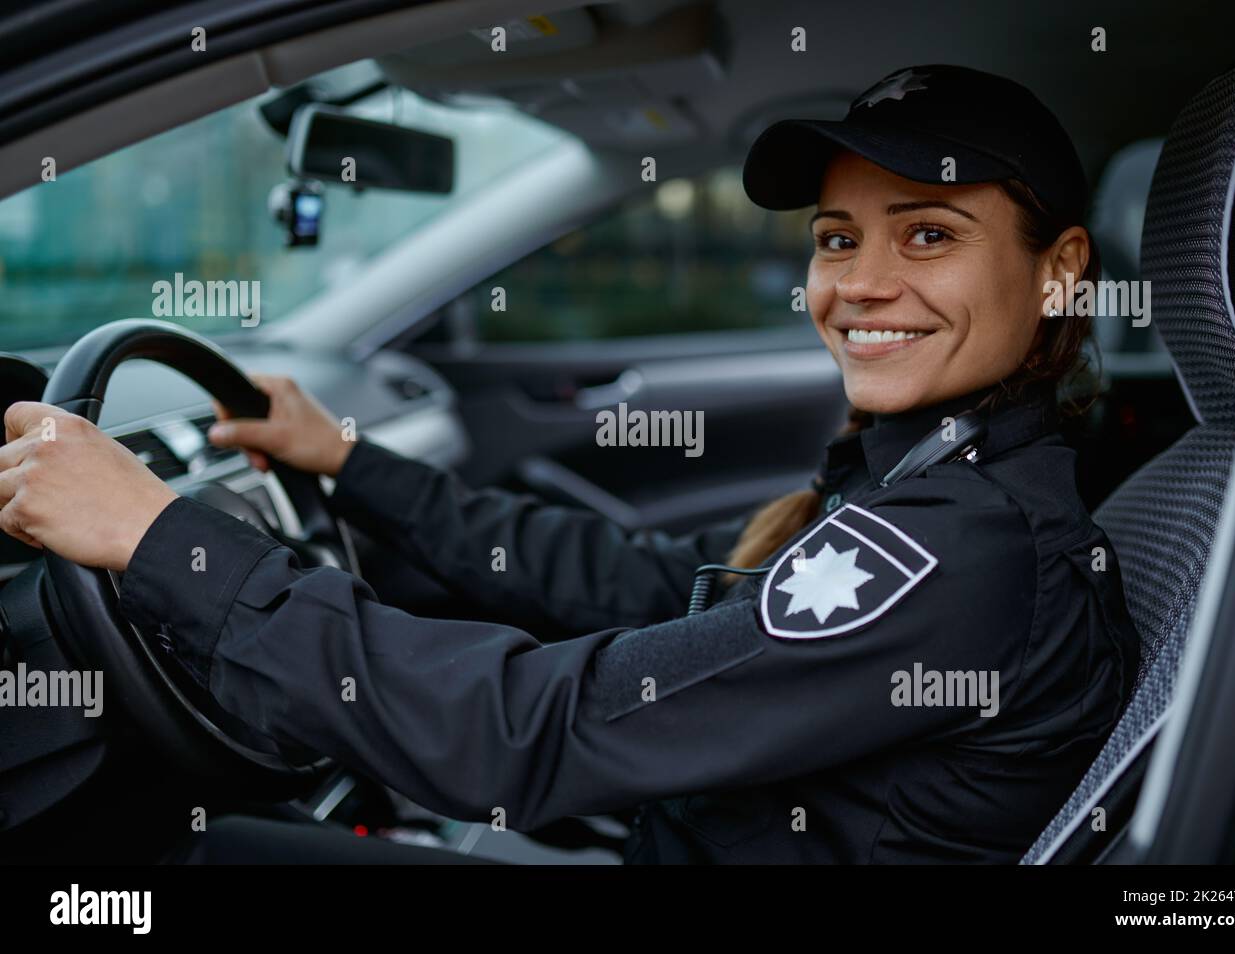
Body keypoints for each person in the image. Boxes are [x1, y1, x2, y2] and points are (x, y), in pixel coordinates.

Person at [0, 64, 1139, 864]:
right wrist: (343, 458)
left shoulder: (961, 548)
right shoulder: (925, 477)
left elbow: (531, 732)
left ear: (1059, 271)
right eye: (838, 239)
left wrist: (161, 540)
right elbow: (643, 583)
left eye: (927, 234)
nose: (861, 285)